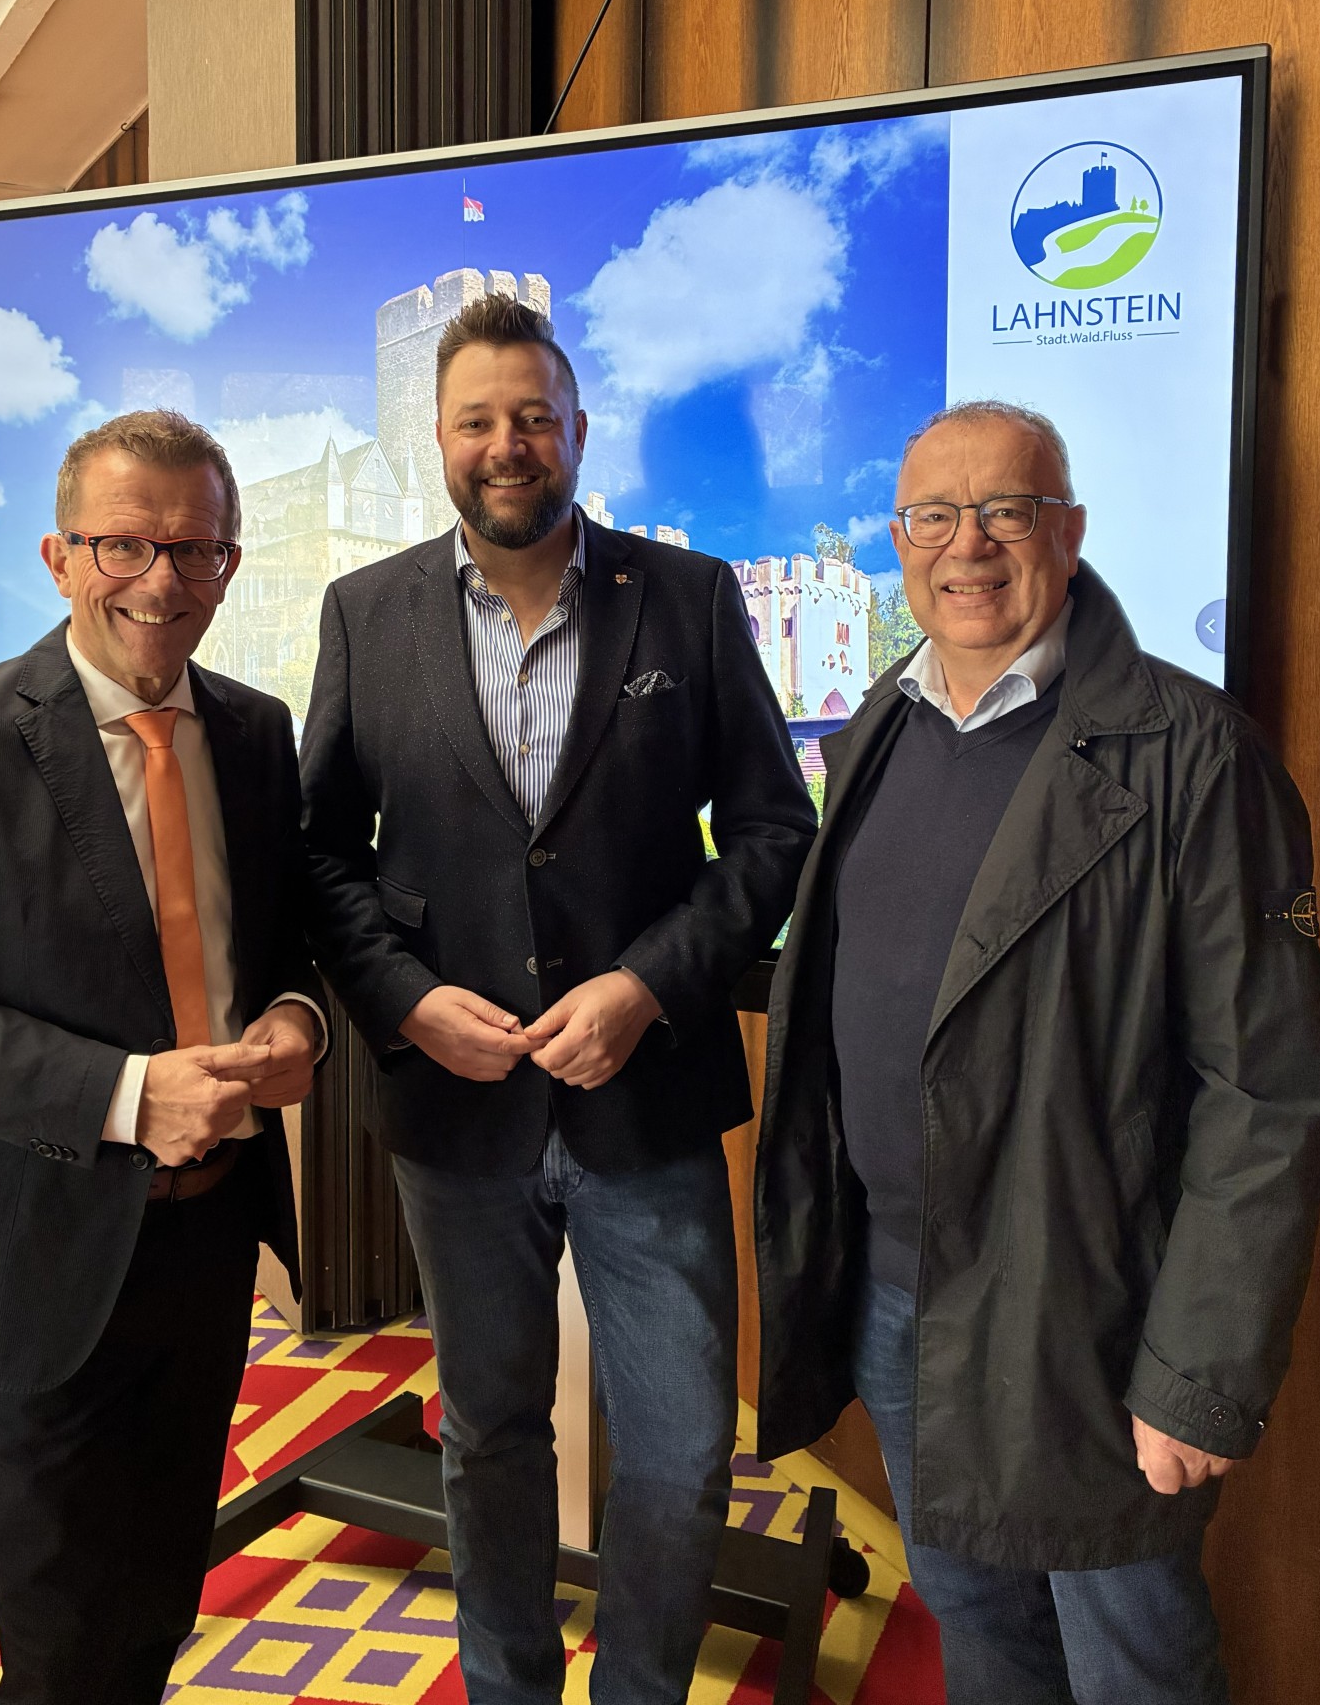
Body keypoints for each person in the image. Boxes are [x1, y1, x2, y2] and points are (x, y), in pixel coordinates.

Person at [754, 398, 1320, 1705]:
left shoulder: (1194, 755)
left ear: (1066, 533)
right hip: (897, 1298)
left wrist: (1197, 1378)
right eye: (932, 516)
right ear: (896, 542)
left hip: (1085, 1321)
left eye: (1005, 511)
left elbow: (1268, 1094)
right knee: (978, 1627)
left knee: (1131, 1660)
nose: (966, 544)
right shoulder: (880, 726)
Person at [300, 293, 816, 1705]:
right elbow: (320, 854)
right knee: (488, 1433)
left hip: (646, 1099)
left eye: (533, 416)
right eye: (478, 420)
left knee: (681, 1449)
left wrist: (648, 985)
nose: (508, 444)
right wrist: (405, 1002)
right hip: (456, 1112)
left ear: (579, 429)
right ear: (438, 439)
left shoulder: (689, 597)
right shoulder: (366, 613)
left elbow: (772, 831)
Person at [0, 411, 327, 1705]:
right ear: (59, 557)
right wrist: (125, 1096)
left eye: (198, 549)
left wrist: (296, 1019)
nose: (163, 579)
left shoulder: (254, 733)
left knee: (154, 1606)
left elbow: (283, 944)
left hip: (208, 1246)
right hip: (32, 1258)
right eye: (125, 544)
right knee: (59, 1654)